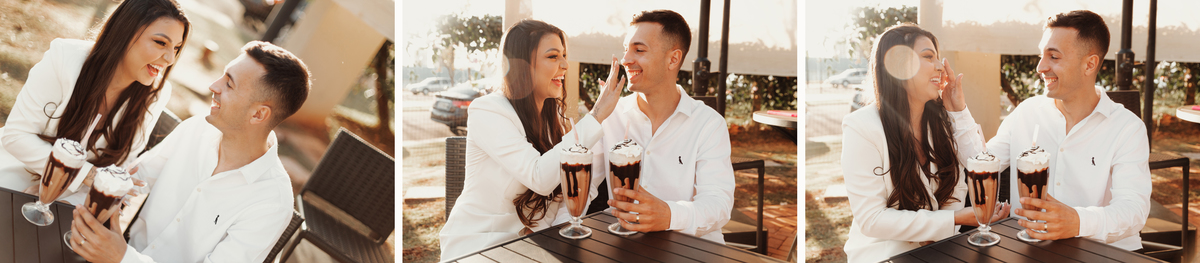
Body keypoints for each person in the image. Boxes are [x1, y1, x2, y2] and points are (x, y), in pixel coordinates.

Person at [66, 41, 309, 262]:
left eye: (229, 84)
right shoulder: (197, 127)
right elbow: (137, 178)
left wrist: (121, 257)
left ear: (258, 114)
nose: (214, 86)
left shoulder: (271, 203)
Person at [954, 10, 1150, 250]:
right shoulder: (1027, 112)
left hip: (1104, 253)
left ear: (1090, 64)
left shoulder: (1128, 129)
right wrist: (957, 110)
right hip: (1031, 249)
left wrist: (1078, 222)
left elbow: (1134, 211)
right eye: (1041, 55)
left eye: (1053, 57)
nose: (1040, 66)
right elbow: (980, 162)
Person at [438, 19, 624, 260]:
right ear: (523, 65)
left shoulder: (556, 121)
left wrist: (556, 235)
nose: (565, 64)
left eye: (564, 55)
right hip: (480, 244)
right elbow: (539, 177)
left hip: (534, 246)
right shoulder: (487, 111)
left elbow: (569, 192)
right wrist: (597, 115)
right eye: (553, 56)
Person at [840, 24, 1009, 263]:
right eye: (928, 57)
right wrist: (954, 220)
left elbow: (979, 166)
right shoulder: (861, 126)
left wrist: (959, 110)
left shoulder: (942, 122)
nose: (940, 66)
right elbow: (872, 219)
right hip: (883, 254)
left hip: (940, 248)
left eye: (938, 58)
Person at [568, 9, 735, 244]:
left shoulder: (709, 124)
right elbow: (579, 185)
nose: (626, 59)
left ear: (673, 59)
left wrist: (669, 215)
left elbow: (718, 205)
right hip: (620, 243)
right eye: (626, 48)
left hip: (691, 249)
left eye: (639, 50)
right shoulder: (611, 116)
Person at [0, 0, 187, 197]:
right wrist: (87, 176)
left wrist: (65, 199)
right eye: (160, 43)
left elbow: (119, 170)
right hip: (13, 176)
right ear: (125, 32)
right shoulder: (64, 57)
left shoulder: (157, 94)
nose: (170, 59)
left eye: (176, 48)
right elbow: (17, 136)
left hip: (72, 201)